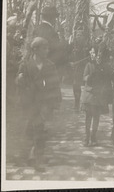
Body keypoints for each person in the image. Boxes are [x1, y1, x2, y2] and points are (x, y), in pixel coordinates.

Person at [16, 37, 61, 171]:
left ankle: (35, 159)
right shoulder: (25, 64)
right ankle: (30, 157)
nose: (47, 51)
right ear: (35, 49)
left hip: (44, 104)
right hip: (29, 103)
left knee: (39, 130)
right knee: (31, 129)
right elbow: (19, 82)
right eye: (44, 48)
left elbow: (55, 86)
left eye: (47, 48)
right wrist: (19, 79)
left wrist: (54, 103)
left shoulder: (50, 66)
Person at [82, 46, 112, 146]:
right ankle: (86, 136)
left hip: (99, 95)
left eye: (99, 54)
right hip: (89, 94)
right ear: (91, 53)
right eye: (94, 53)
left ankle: (93, 135)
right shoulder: (89, 65)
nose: (97, 56)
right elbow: (85, 77)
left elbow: (107, 80)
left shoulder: (104, 66)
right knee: (88, 116)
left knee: (96, 117)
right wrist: (90, 76)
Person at [68, 30, 89, 112]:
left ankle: (84, 103)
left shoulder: (86, 46)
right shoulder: (72, 45)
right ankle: (77, 102)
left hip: (83, 68)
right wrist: (70, 62)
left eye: (80, 35)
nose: (78, 36)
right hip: (73, 68)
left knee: (84, 85)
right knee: (75, 85)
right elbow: (67, 54)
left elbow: (89, 57)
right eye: (77, 35)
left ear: (83, 37)